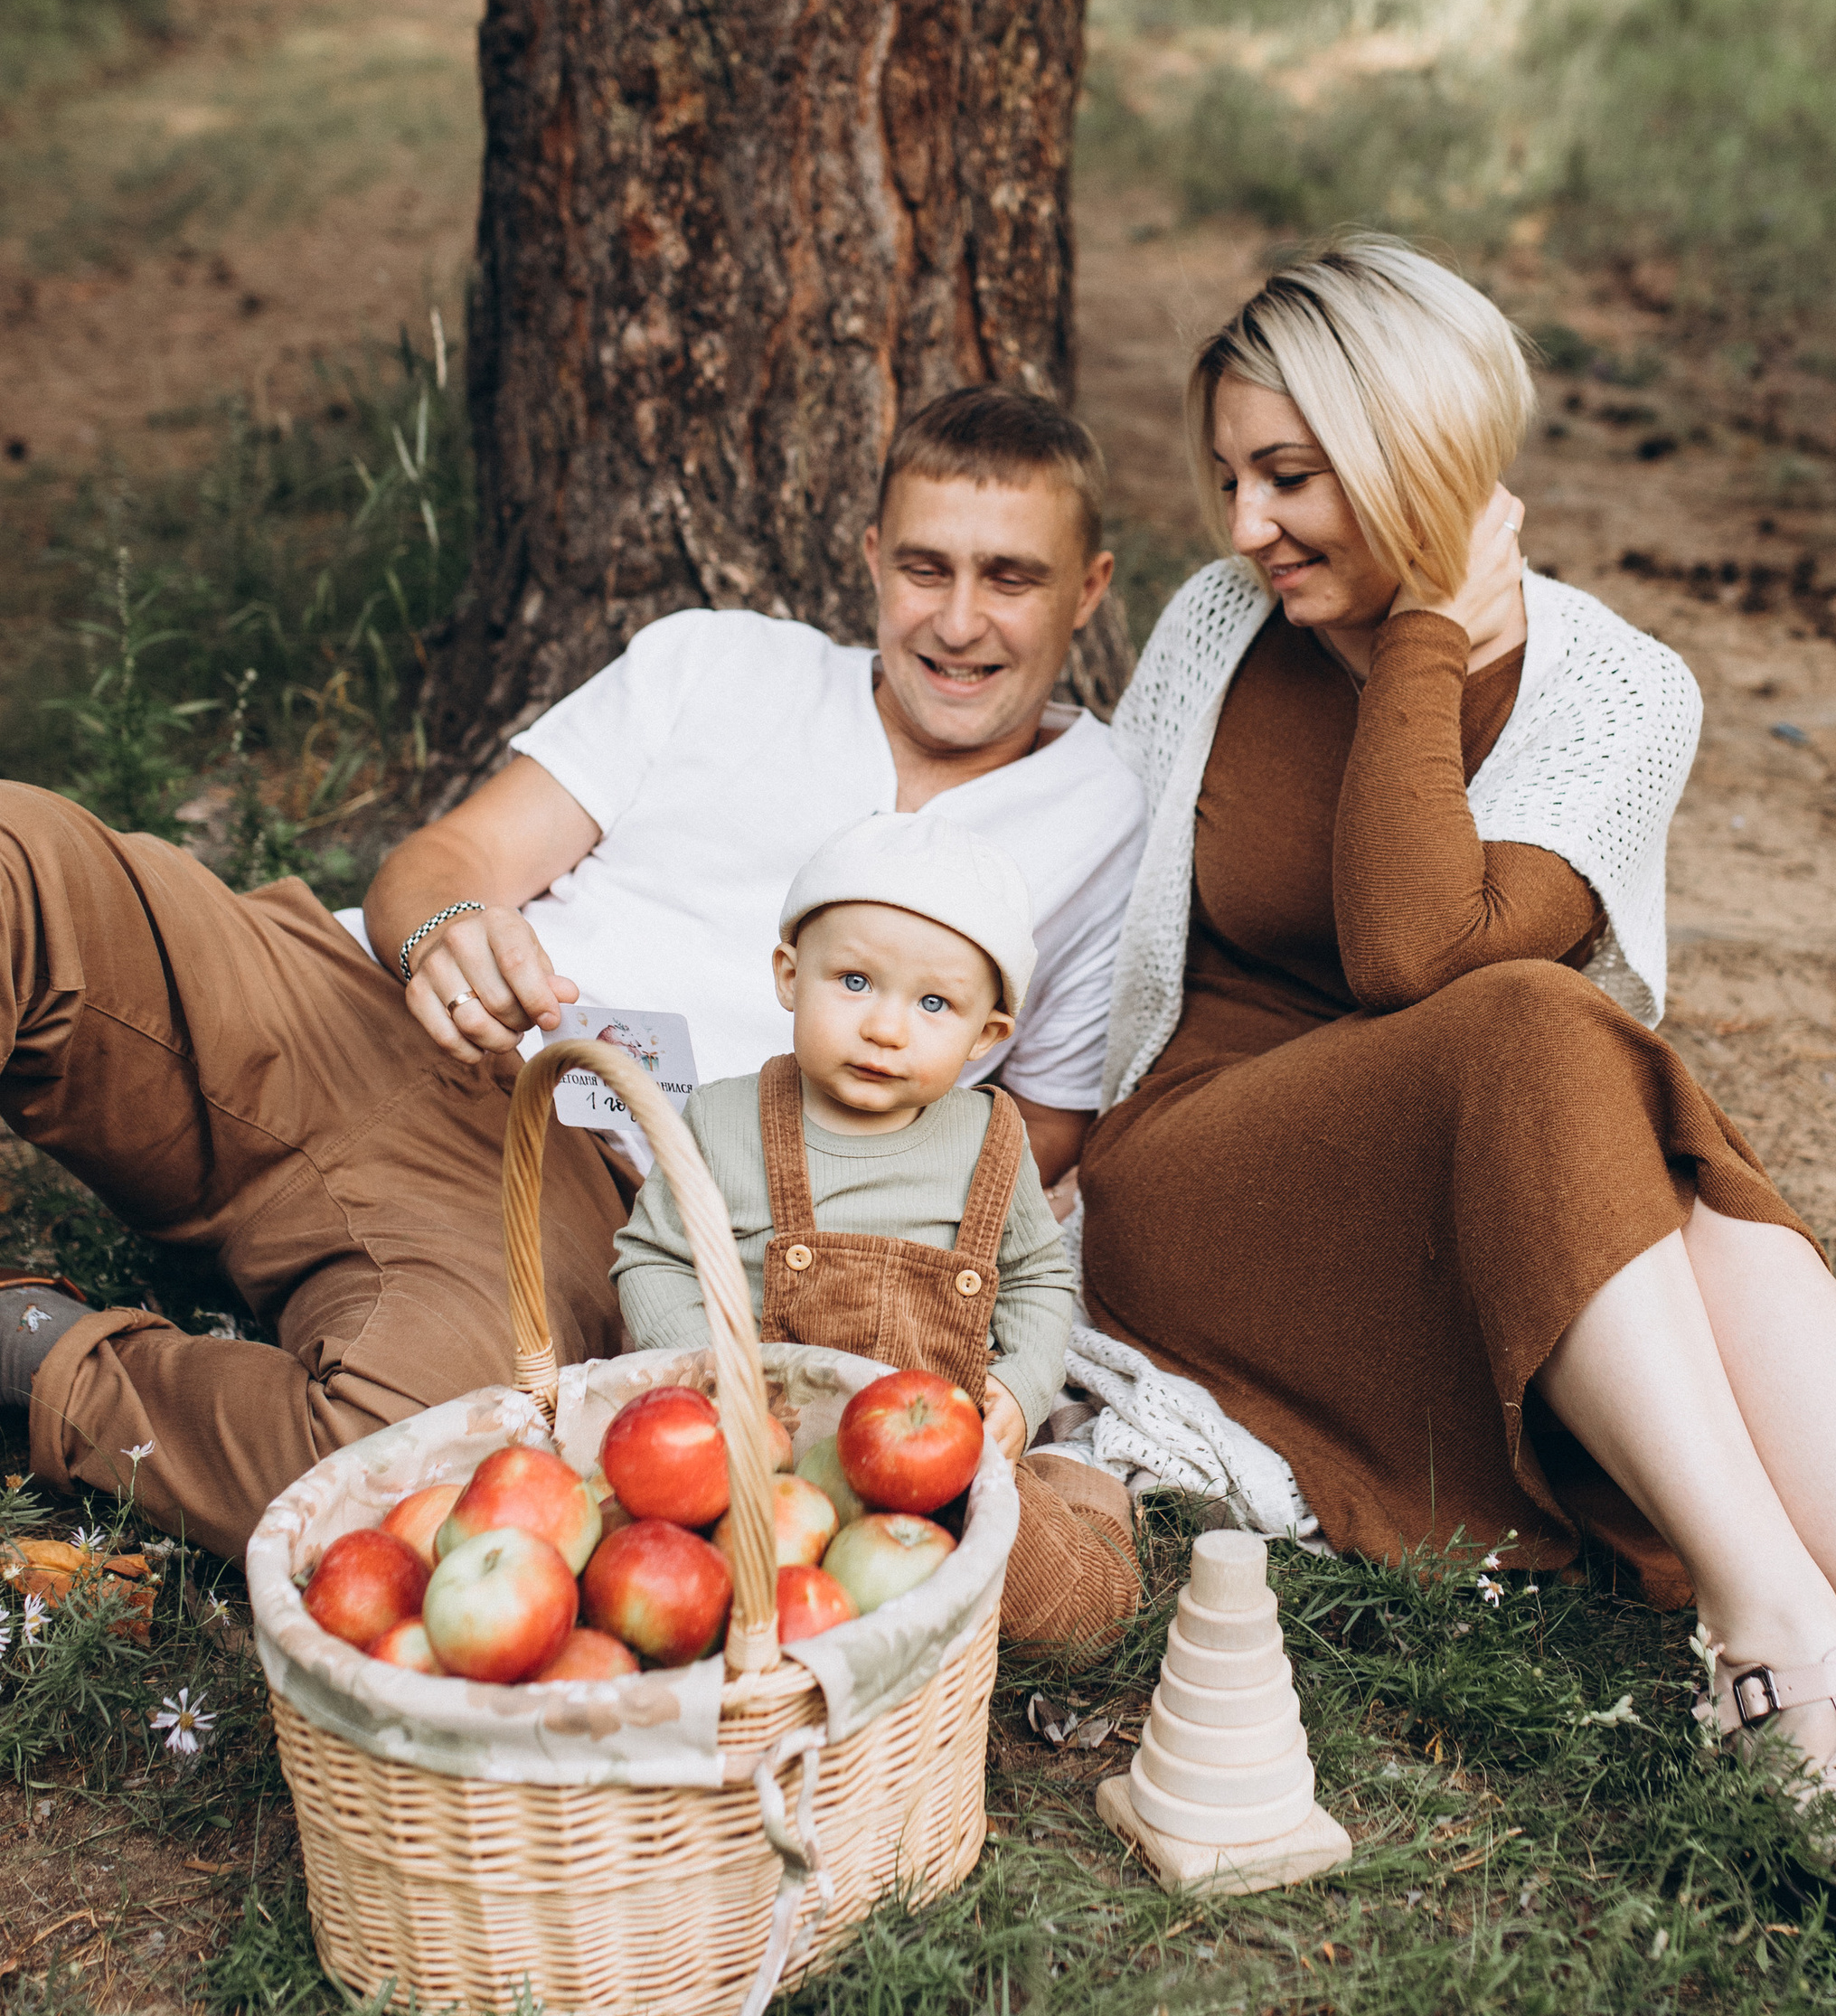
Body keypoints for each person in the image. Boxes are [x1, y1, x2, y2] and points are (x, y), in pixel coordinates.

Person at [1076, 237, 1836, 2010]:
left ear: (1422, 452)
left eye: (1292, 474)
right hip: (1204, 1183)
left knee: (1609, 1121)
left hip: (1453, 1167)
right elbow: (1377, 961)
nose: (1247, 524)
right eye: (1227, 479)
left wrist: (1415, 641)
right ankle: (1774, 1629)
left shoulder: (1613, 688)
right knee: (1538, 1027)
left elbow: (1417, 961)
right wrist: (1422, 630)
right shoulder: (1214, 630)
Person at [0, 388, 1145, 1567]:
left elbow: (1045, 1123)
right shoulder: (718, 662)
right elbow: (447, 859)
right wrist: (448, 931)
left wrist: (821, 1215)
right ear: (868, 560)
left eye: (1010, 578)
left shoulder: (1104, 811)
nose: (958, 622)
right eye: (924, 568)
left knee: (417, 1483)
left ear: (1090, 590)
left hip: (587, 1199)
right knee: (22, 865)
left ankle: (41, 1353)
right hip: (359, 1017)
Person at [614, 811, 1138, 1647]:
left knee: (1066, 1618)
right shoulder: (720, 1120)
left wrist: (1023, 1388)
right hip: (756, 1447)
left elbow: (1039, 1279)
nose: (885, 1028)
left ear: (986, 1036)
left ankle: (1082, 1496)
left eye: (934, 1003)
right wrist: (714, 1373)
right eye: (854, 982)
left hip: (935, 1456)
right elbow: (652, 1259)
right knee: (687, 1593)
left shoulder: (987, 1142)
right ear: (789, 974)